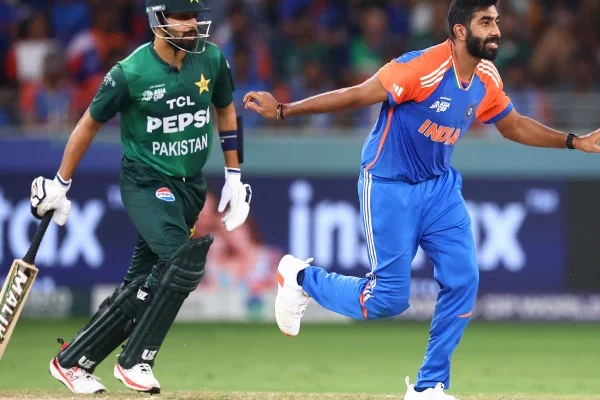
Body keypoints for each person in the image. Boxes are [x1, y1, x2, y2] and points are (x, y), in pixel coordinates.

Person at [243, 1, 600, 399]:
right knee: (386, 301)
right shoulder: (421, 68)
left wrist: (575, 141)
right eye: (485, 22)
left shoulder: (486, 76)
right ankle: (300, 278)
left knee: (463, 280)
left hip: (439, 188)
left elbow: (513, 125)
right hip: (389, 184)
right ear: (460, 31)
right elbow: (357, 95)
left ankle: (429, 387)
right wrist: (284, 110)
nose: (497, 30)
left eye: (497, 21)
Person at [30, 0, 252, 394]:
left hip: (190, 187)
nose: (192, 25)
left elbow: (225, 111)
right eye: (181, 18)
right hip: (146, 181)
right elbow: (88, 124)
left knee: (143, 282)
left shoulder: (211, 59)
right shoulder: (130, 72)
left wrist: (234, 175)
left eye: (194, 17)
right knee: (181, 262)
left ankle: (72, 361)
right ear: (158, 21)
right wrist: (61, 183)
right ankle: (136, 360)